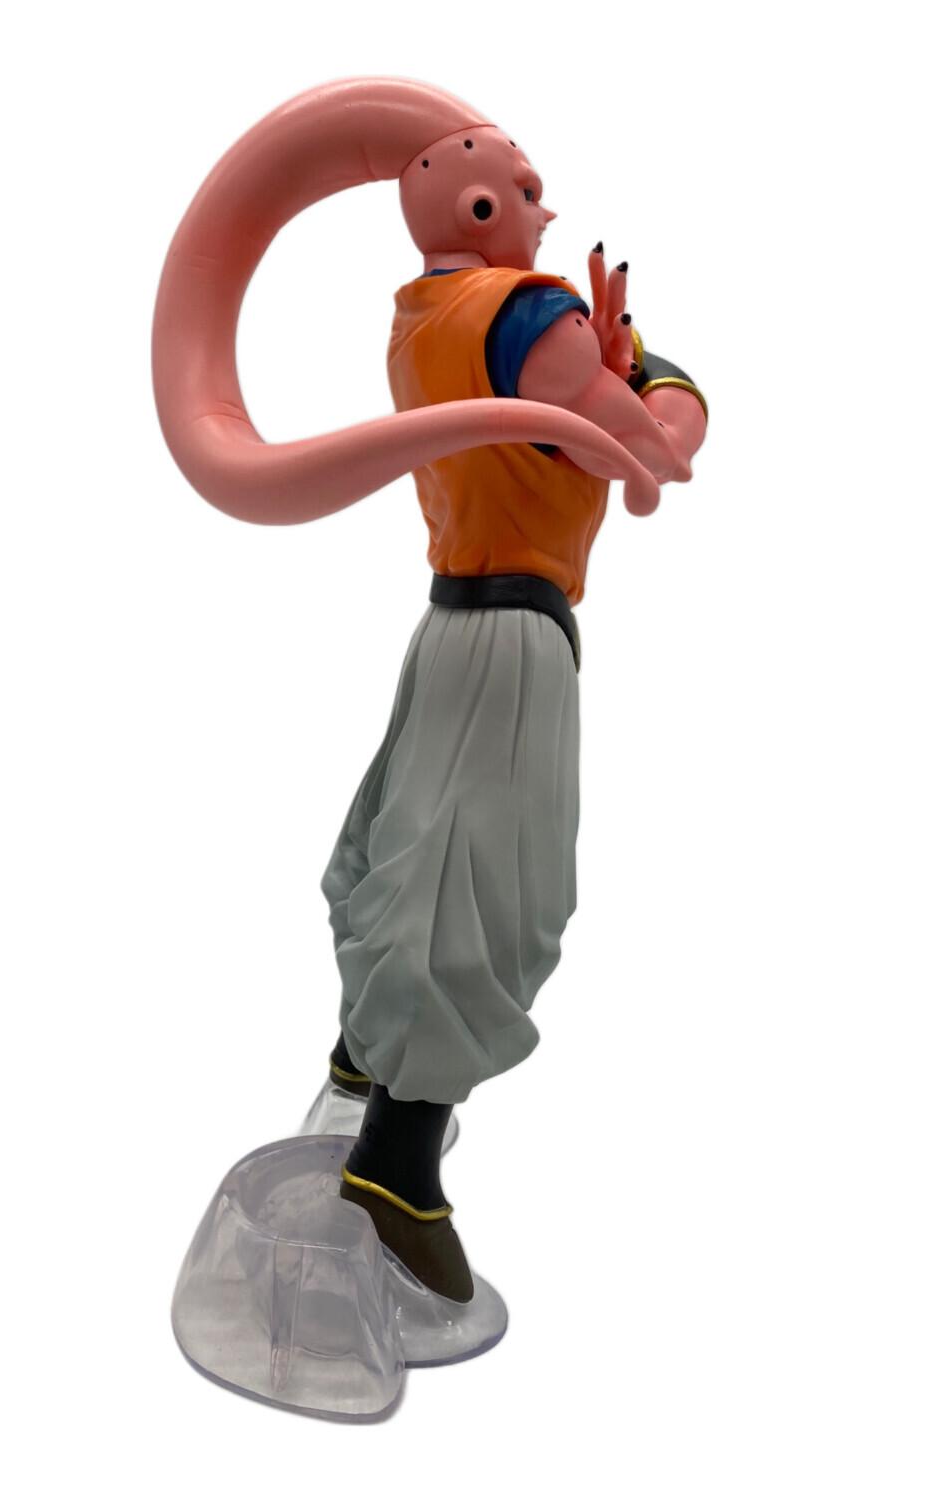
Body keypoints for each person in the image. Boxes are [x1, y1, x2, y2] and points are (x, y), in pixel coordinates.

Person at [153, 80, 706, 1301]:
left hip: (453, 625)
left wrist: (611, 371)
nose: (546, 211)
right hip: (509, 641)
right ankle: (398, 1168)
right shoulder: (535, 317)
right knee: (486, 891)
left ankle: (363, 1075)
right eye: (524, 191)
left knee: (408, 850)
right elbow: (661, 450)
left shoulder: (421, 319)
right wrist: (658, 369)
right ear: (477, 207)